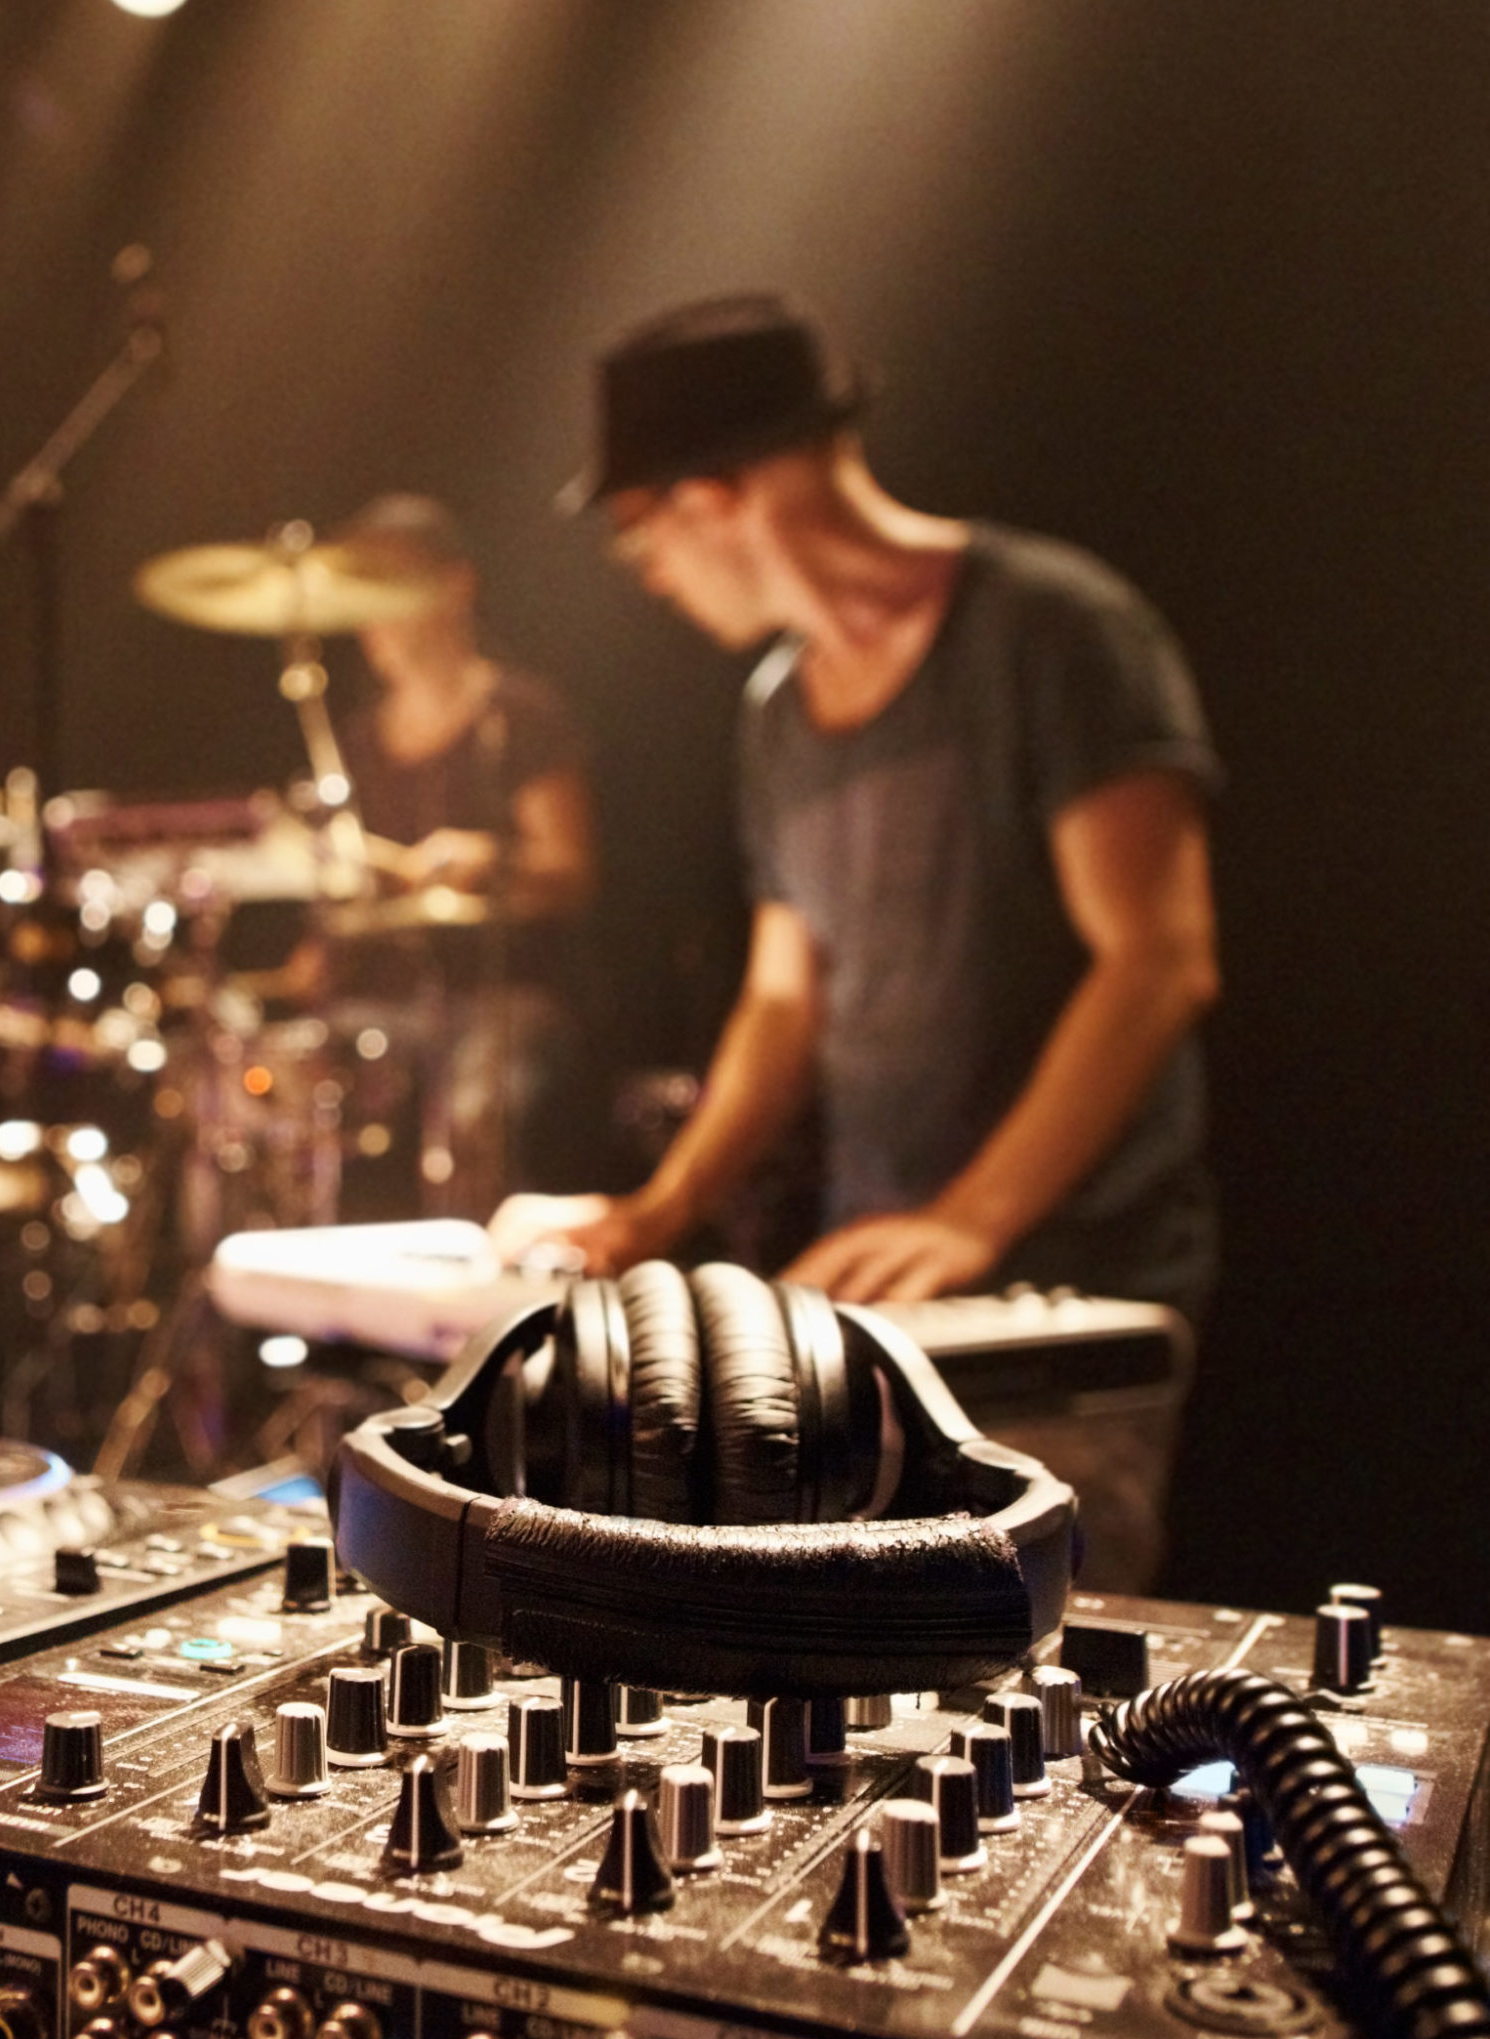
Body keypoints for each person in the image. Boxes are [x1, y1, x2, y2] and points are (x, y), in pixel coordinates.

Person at [489, 297, 1220, 1583]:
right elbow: (783, 1001)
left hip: (1066, 1285)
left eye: (638, 531)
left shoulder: (1054, 628)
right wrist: (656, 1211)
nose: (645, 572)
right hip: (874, 1287)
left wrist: (970, 1219)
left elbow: (1157, 957)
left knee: (1039, 1675)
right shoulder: (776, 710)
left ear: (719, 495)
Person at [320, 493, 597, 1214]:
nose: (373, 609)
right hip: (385, 1000)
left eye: (393, 583)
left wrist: (487, 859)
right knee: (303, 1087)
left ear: (455, 584)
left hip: (504, 996)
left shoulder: (519, 714)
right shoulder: (353, 742)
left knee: (475, 1113)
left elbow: (572, 874)